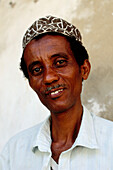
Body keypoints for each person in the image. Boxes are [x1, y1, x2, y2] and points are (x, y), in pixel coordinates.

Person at [0, 15, 113, 170]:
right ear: (30, 82)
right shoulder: (14, 153)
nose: (48, 77)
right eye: (37, 70)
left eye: (60, 63)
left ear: (84, 69)